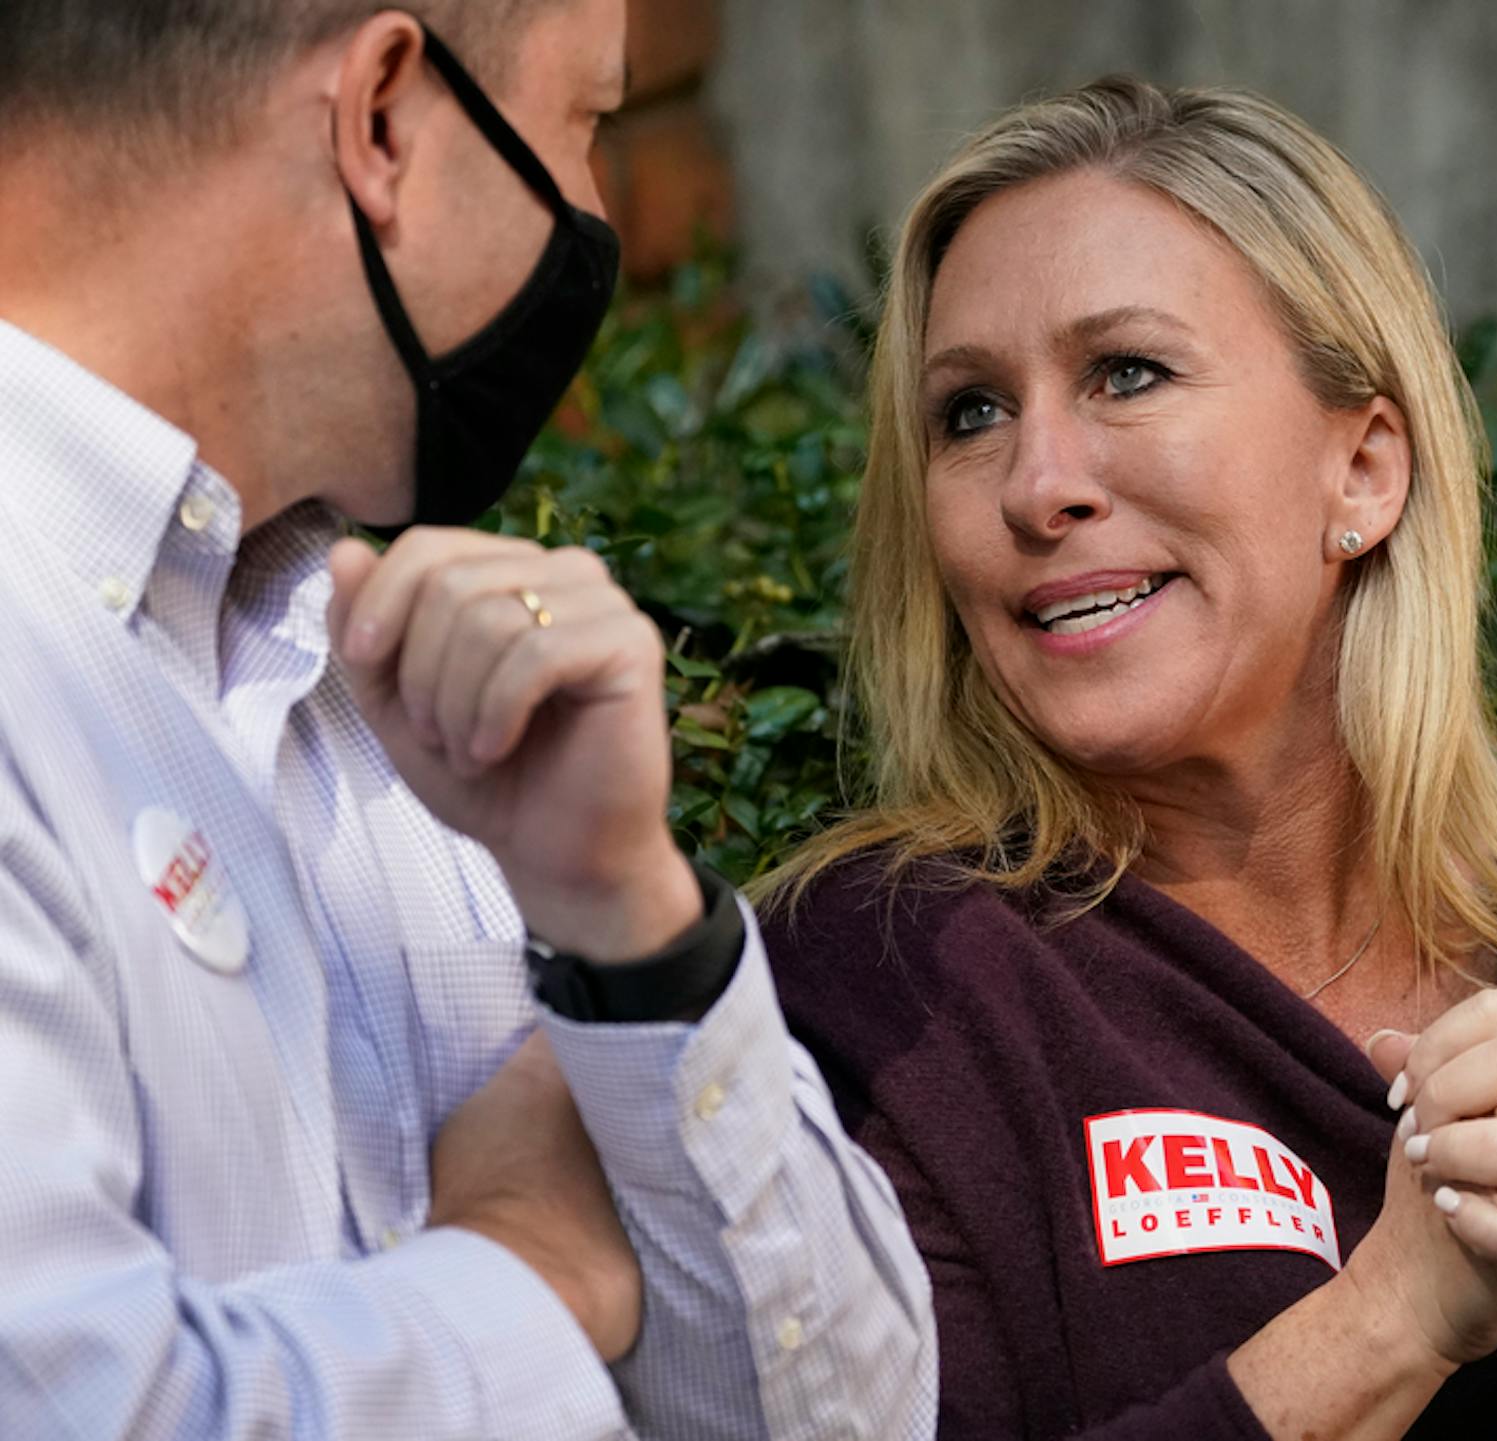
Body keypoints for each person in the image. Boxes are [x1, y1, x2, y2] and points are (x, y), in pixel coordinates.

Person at [760, 77, 1497, 1439]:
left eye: (1126, 373)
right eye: (970, 411)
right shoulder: (871, 987)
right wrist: (1393, 1316)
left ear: (1366, 470)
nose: (1038, 484)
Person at [0, 2, 932, 1437]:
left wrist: (630, 926)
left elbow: (846, 1412)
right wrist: (529, 1262)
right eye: (586, 126)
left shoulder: (363, 659)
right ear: (382, 117)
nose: (596, 215)